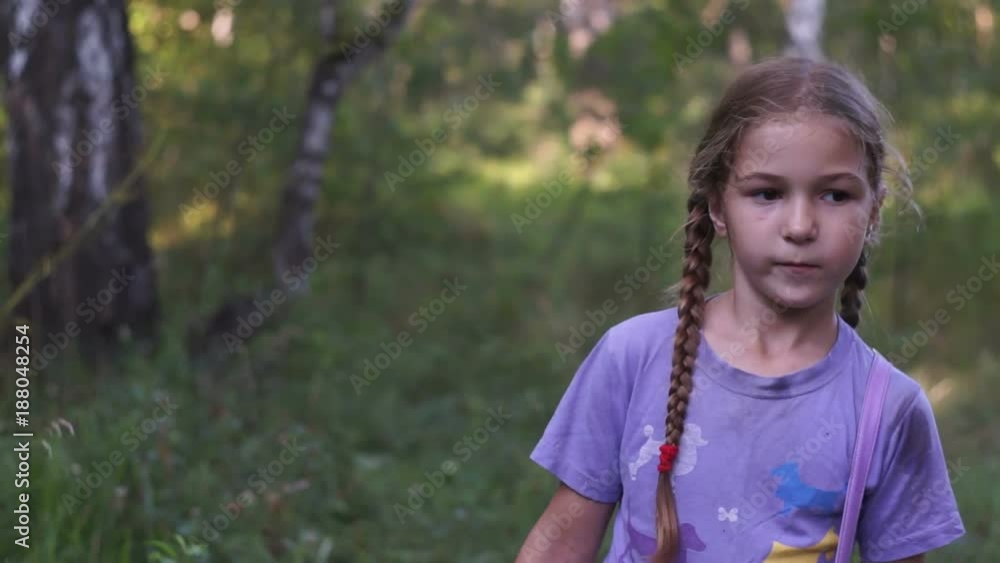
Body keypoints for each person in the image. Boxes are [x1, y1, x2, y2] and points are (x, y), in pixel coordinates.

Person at [516, 57, 966, 563]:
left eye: (835, 195)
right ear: (717, 206)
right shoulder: (632, 357)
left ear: (874, 210)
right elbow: (560, 546)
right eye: (767, 193)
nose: (800, 226)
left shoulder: (890, 408)